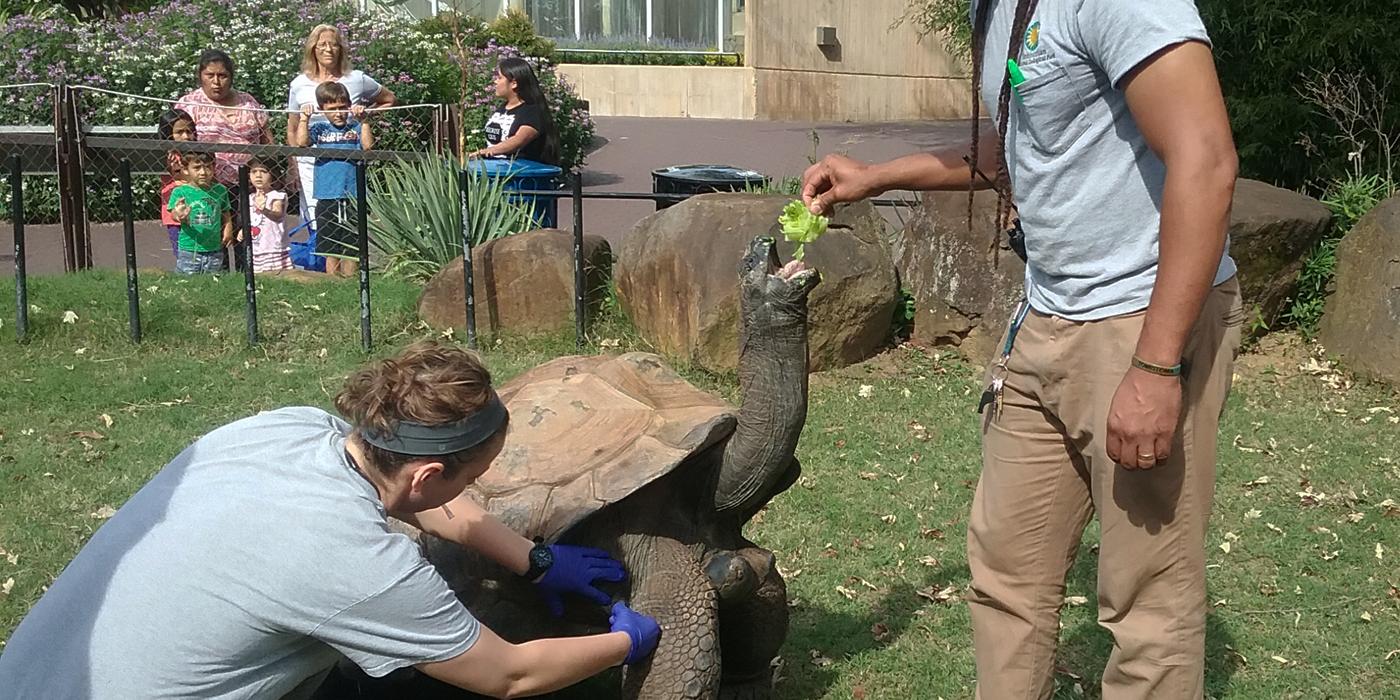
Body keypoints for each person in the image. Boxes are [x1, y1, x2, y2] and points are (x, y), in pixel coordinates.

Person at [801, 1, 1242, 697]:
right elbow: (1020, 143)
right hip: (1046, 317)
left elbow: (1207, 159)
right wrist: (878, 176)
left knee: (1146, 607)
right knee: (1007, 576)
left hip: (1141, 320)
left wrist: (1156, 366)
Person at [0, 341, 661, 699]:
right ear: (428, 474)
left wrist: (533, 558)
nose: (475, 488)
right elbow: (508, 674)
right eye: (475, 473)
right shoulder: (362, 567)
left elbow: (441, 508)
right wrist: (627, 641)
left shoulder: (283, 429)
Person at [286, 23, 397, 223]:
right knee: (317, 219)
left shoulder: (356, 79)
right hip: (311, 162)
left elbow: (389, 99)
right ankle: (319, 255)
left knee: (348, 221)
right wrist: (294, 163)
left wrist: (365, 118)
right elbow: (293, 125)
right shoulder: (298, 84)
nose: (328, 49)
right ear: (313, 49)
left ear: (341, 49)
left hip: (347, 162)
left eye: (334, 45)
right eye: (322, 45)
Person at [290, 81, 372, 279]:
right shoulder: (320, 129)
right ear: (322, 109)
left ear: (349, 105)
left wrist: (365, 120)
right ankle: (333, 281)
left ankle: (350, 282)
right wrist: (304, 118)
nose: (338, 113)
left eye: (342, 107)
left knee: (352, 243)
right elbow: (302, 142)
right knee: (329, 242)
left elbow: (368, 146)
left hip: (352, 195)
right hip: (327, 195)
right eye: (332, 109)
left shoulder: (355, 127)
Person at [469, 56, 560, 165]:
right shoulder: (502, 108)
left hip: (520, 175)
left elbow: (518, 141)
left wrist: (488, 151)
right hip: (495, 171)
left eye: (499, 78)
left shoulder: (532, 111)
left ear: (514, 83)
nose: (495, 81)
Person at [167, 150, 234, 275]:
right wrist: (179, 215)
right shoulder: (180, 192)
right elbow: (174, 214)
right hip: (190, 248)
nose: (203, 172)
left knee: (213, 282)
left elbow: (225, 211)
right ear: (186, 170)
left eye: (207, 167)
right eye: (197, 168)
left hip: (214, 248)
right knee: (188, 282)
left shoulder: (220, 190)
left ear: (214, 168)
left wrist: (228, 228)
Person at [156, 108, 196, 259]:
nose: (186, 136)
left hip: (199, 211)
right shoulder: (164, 155)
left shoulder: (199, 154)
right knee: (182, 254)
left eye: (189, 131)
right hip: (175, 215)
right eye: (179, 132)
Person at [247, 157, 292, 273]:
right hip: (257, 246)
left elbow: (278, 215)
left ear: (272, 175)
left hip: (273, 247)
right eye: (254, 172)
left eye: (263, 172)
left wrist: (264, 210)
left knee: (276, 274)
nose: (258, 176)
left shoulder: (276, 196)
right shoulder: (250, 198)